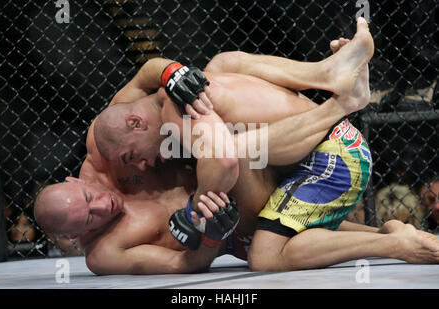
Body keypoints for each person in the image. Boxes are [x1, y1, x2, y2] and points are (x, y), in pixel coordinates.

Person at [34, 18, 439, 274]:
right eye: (89, 220)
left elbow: (147, 77)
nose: (101, 206)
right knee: (220, 97)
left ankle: (337, 94)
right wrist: (209, 234)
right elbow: (183, 262)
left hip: (321, 154)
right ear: (72, 240)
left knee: (221, 111)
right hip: (258, 210)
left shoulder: (108, 142)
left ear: (78, 177)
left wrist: (172, 71)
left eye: (89, 198)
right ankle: (336, 89)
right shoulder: (104, 251)